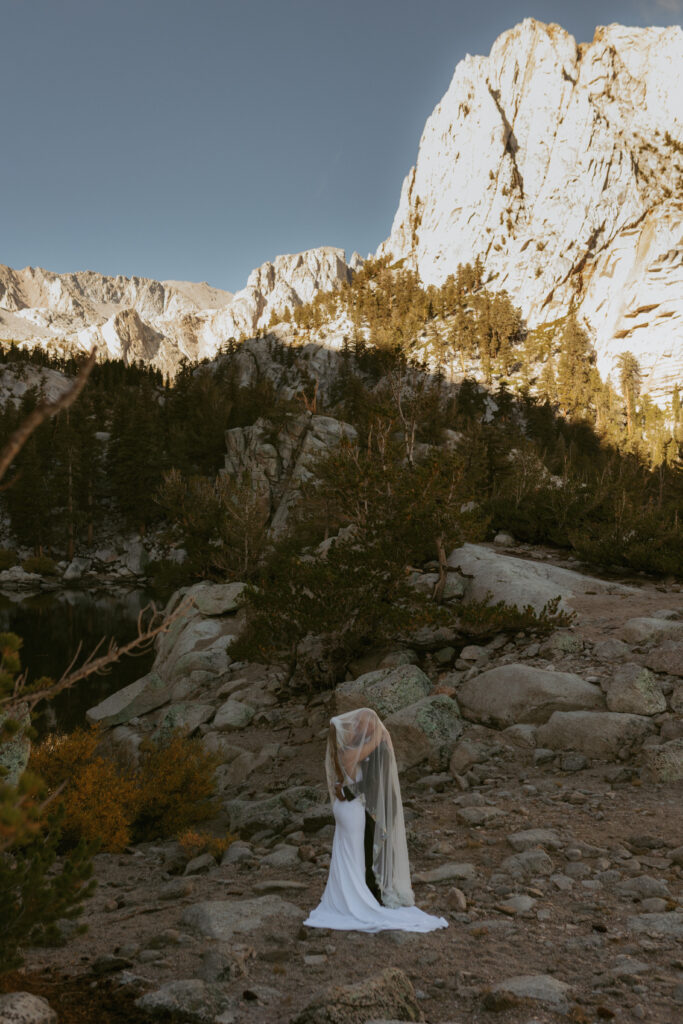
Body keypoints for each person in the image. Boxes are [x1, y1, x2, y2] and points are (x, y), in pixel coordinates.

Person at [304, 707, 449, 933]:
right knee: (355, 855)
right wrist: (380, 735)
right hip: (352, 811)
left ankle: (347, 893)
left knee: (348, 854)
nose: (354, 728)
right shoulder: (349, 753)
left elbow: (369, 770)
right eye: (352, 726)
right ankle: (357, 897)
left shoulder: (343, 751)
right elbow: (368, 754)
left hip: (346, 808)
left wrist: (380, 737)